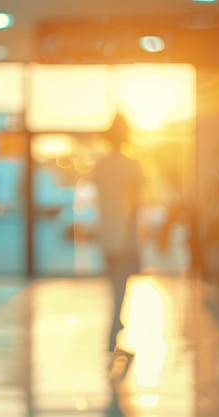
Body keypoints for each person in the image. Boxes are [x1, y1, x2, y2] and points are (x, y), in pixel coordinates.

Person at [91, 113, 145, 364]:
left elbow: (102, 205)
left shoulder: (101, 166)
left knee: (116, 289)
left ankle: (113, 337)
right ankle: (113, 338)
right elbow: (133, 206)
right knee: (120, 291)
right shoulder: (132, 166)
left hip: (108, 239)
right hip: (125, 239)